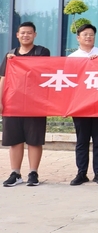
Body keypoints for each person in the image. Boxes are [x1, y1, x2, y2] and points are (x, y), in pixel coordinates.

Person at [1, 22, 50, 187]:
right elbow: (3, 79)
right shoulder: (10, 55)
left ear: (34, 35)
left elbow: (41, 70)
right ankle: (15, 173)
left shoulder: (42, 52)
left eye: (29, 33)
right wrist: (0, 100)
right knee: (14, 139)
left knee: (34, 140)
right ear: (17, 35)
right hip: (13, 103)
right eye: (22, 33)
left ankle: (33, 173)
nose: (26, 35)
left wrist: (18, 61)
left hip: (35, 103)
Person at [67, 23, 98, 186]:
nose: (88, 37)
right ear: (78, 37)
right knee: (82, 140)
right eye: (85, 34)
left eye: (91, 34)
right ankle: (81, 173)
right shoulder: (72, 58)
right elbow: (69, 82)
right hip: (80, 105)